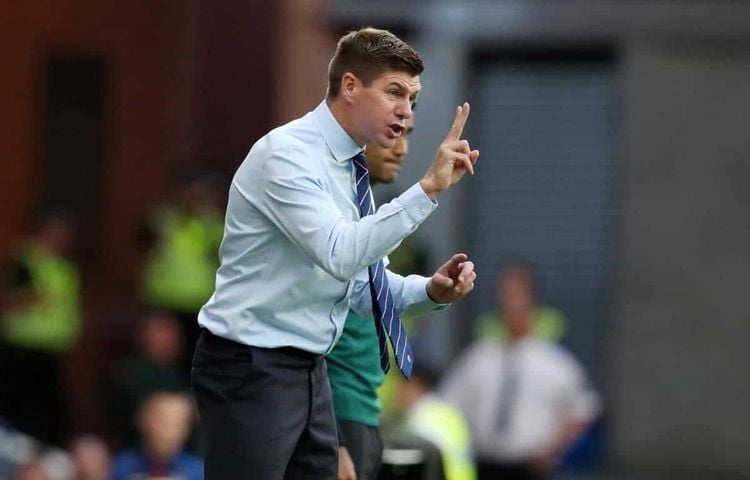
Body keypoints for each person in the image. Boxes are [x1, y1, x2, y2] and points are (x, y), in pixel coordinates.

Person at [191, 27, 479, 479]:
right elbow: (340, 254)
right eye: (394, 93)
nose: (405, 111)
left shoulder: (350, 168)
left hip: (308, 368)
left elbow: (364, 288)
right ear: (349, 86)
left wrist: (432, 290)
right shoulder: (287, 155)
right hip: (251, 364)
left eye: (413, 98)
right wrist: (427, 191)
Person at [440, 264, 600, 480]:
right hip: (484, 464)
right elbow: (448, 405)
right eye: (506, 295)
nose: (512, 303)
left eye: (518, 295)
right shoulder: (479, 358)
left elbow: (583, 412)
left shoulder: (555, 363)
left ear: (532, 299)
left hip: (531, 468)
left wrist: (555, 452)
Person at [328, 114, 417, 480]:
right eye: (392, 135)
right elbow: (302, 340)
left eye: (407, 135)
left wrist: (433, 290)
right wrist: (333, 440)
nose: (402, 149)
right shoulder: (329, 218)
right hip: (337, 418)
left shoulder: (365, 217)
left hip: (363, 412)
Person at [0, 211, 81, 446]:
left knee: (48, 412)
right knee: (18, 407)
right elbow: (9, 300)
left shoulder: (63, 265)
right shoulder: (24, 260)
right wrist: (30, 298)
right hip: (21, 347)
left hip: (52, 349)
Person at [140, 169, 225, 376]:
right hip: (163, 301)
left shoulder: (213, 224)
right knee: (159, 360)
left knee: (193, 360)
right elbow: (141, 251)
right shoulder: (163, 220)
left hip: (200, 304)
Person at [111, 310, 190, 448]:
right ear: (143, 338)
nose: (169, 339)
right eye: (161, 332)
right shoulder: (132, 375)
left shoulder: (182, 372)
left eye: (173, 334)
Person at [396, 359, 477, 480]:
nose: (396, 388)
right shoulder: (449, 413)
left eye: (401, 382)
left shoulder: (420, 420)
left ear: (414, 384)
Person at [111, 391, 203, 480]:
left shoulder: (198, 471)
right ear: (142, 420)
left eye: (178, 424)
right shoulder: (120, 466)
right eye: (162, 422)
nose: (169, 431)